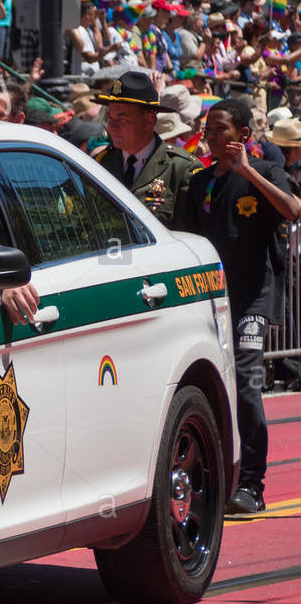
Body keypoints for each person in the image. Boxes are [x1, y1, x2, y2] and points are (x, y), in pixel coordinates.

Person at [178, 96, 301, 515]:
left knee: (248, 382)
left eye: (220, 130)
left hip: (255, 296)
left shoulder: (268, 171)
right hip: (212, 300)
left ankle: (252, 483)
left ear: (244, 135)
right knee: (212, 385)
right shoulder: (200, 182)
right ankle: (212, 477)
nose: (211, 137)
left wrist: (248, 170)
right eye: (208, 130)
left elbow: (293, 210)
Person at [94, 71, 203, 227]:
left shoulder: (181, 169)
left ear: (148, 120)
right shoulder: (102, 163)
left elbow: (190, 237)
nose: (112, 126)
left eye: (122, 119)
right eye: (110, 118)